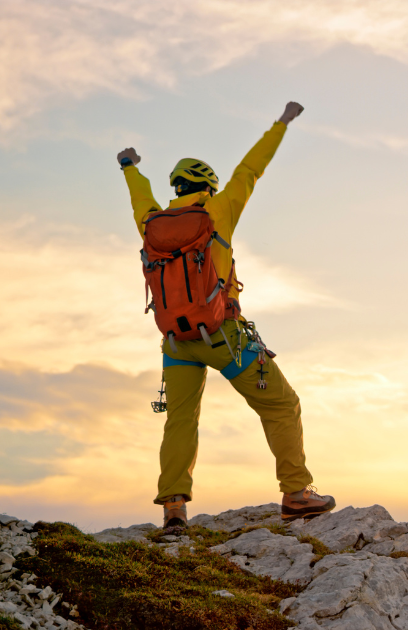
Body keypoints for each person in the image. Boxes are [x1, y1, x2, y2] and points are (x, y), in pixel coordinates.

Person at [116, 101, 334, 530]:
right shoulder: (218, 213)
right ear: (208, 186)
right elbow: (251, 169)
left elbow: (138, 195)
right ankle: (296, 493)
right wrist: (281, 124)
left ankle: (174, 508)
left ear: (177, 186)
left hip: (176, 340)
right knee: (281, 404)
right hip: (223, 333)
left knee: (181, 420)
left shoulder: (152, 221)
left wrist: (129, 167)